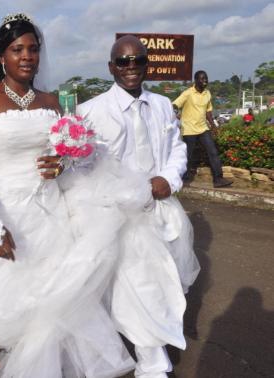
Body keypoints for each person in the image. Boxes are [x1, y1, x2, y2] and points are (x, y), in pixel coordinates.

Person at [0, 14, 135, 377]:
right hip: (4, 212)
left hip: (51, 212)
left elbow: (69, 156)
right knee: (7, 301)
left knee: (55, 303)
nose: (27, 56)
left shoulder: (54, 102)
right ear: (1, 56)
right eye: (17, 49)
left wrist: (62, 166)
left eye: (33, 49)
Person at [75, 35, 200, 378]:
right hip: (119, 217)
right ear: (111, 66)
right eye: (123, 61)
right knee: (139, 285)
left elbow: (177, 149)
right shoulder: (89, 112)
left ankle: (151, 348)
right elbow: (84, 168)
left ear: (147, 64)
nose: (131, 68)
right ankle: (153, 363)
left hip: (162, 210)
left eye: (138, 61)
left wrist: (168, 179)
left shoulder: (162, 105)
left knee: (164, 280)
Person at [173, 71, 233, 187]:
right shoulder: (188, 93)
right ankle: (182, 178)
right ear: (196, 80)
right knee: (187, 155)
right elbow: (175, 105)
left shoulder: (207, 94)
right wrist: (175, 116)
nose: (205, 80)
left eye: (206, 78)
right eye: (202, 79)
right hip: (189, 129)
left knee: (213, 152)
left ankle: (218, 179)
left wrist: (213, 126)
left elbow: (208, 111)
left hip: (203, 128)